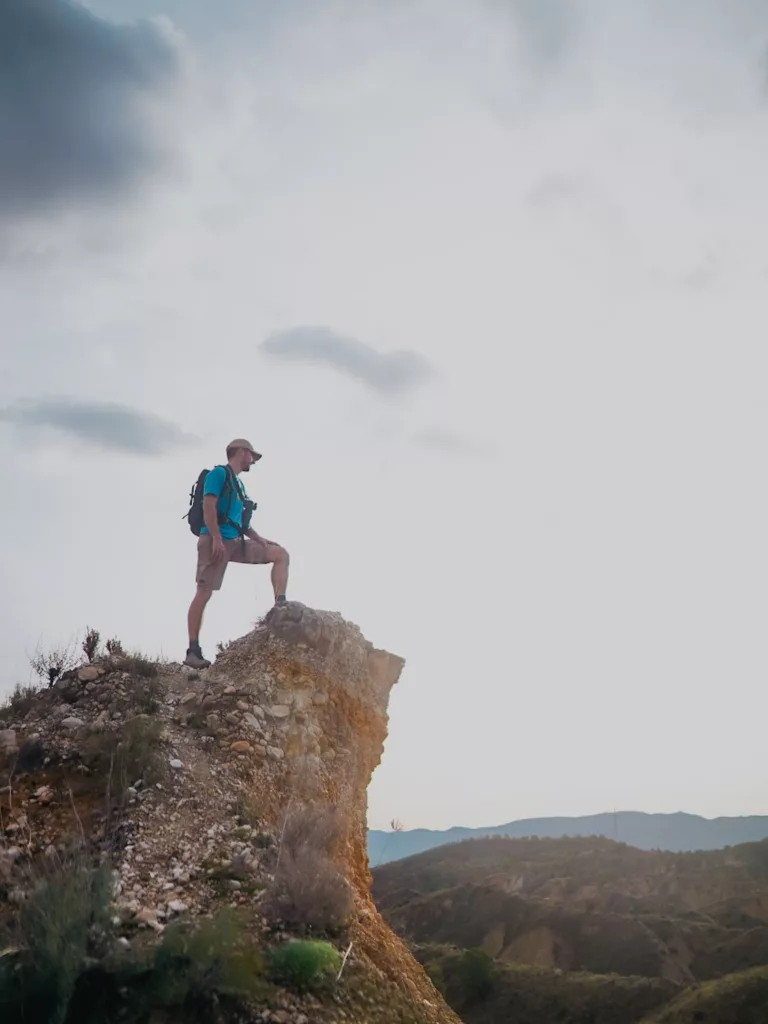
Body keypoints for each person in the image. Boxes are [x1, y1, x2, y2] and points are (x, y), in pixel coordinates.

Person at [184, 438, 290, 669]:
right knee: (204, 592)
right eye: (252, 455)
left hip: (235, 542)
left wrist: (260, 540)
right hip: (214, 542)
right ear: (241, 452)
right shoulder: (218, 474)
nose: (253, 460)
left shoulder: (239, 485)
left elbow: (241, 523)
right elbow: (208, 506)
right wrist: (216, 538)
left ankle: (281, 608)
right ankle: (193, 651)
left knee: (280, 554)